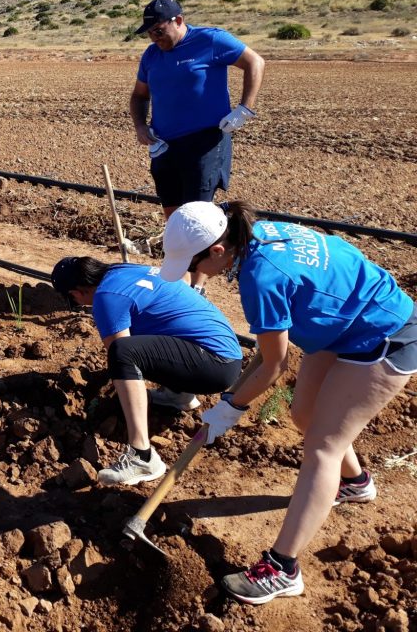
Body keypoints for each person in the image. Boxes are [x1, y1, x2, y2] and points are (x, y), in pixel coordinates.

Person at [159, 200, 417, 606]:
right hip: (339, 325)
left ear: (217, 251)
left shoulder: (260, 278)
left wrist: (229, 409)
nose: (194, 275)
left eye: (193, 265)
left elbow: (274, 366)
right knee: (304, 415)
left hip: (384, 335)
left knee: (323, 448)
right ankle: (356, 483)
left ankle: (283, 569)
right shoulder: (256, 233)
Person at [51, 256, 242, 485]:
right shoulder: (126, 271)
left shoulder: (106, 297)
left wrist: (100, 401)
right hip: (226, 353)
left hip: (213, 367)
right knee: (145, 329)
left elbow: (120, 355)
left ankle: (142, 456)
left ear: (76, 293)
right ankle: (178, 395)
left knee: (124, 351)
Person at [129, 0, 265, 225]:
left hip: (204, 143)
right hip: (164, 146)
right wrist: (140, 126)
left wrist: (244, 109)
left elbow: (255, 62)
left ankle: (210, 257)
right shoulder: (151, 55)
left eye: (159, 31)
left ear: (178, 20)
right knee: (174, 218)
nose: (154, 38)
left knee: (197, 218)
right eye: (150, 33)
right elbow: (139, 95)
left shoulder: (211, 39)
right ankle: (182, 259)